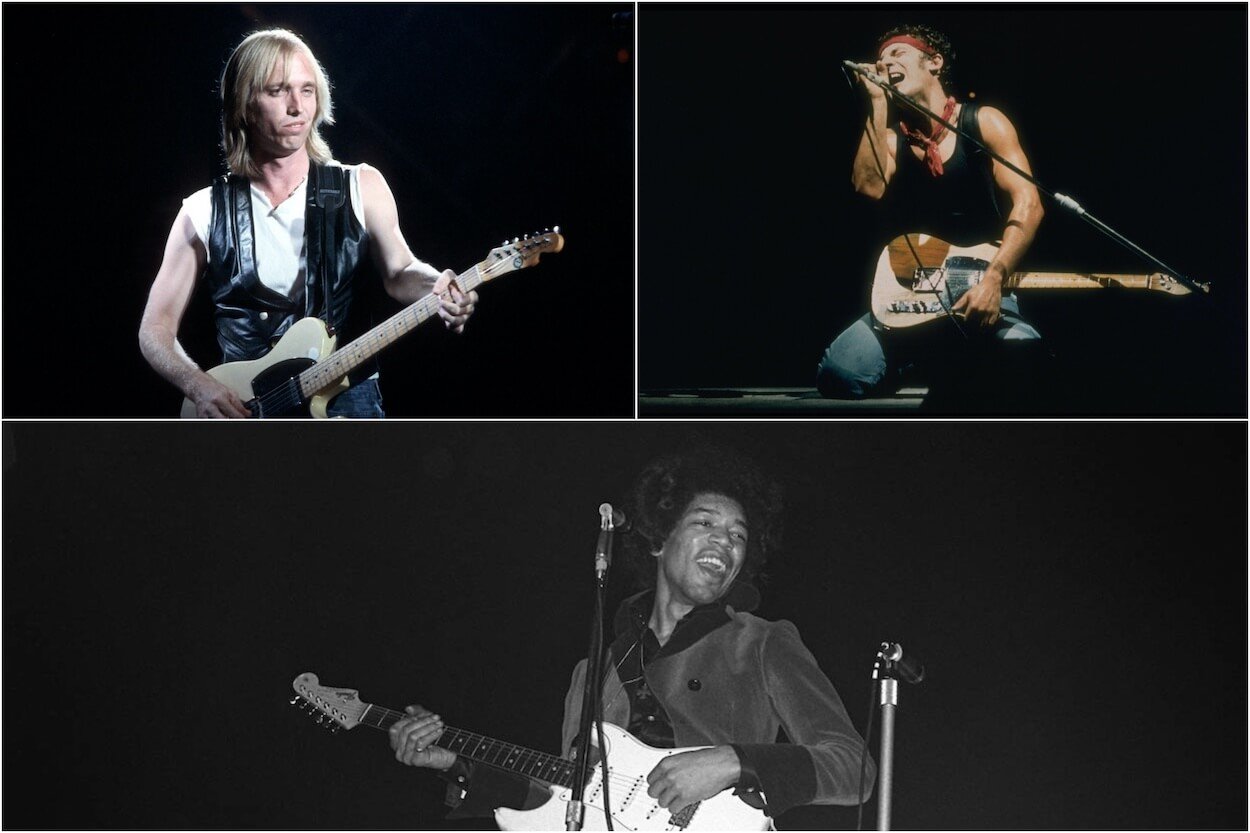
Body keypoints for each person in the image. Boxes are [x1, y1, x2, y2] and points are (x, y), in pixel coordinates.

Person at [388, 448, 875, 824]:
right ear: (660, 539)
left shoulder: (762, 642)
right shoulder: (593, 669)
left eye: (738, 535)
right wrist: (455, 762)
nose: (724, 541)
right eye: (705, 522)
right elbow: (564, 800)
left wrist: (734, 762)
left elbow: (854, 769)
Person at [139, 29, 477, 418]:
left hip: (348, 405)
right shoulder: (202, 211)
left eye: (307, 90)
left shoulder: (361, 185)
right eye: (278, 90)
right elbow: (154, 330)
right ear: (244, 103)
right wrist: (198, 385)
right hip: (250, 413)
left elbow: (400, 270)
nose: (297, 107)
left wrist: (436, 286)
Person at [817, 24, 1047, 408]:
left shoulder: (983, 122)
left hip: (981, 285)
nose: (884, 63)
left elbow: (1030, 204)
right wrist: (876, 103)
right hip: (910, 293)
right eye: (882, 58)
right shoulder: (890, 138)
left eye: (898, 55)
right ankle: (932, 355)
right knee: (840, 375)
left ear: (934, 63)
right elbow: (869, 188)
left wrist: (995, 278)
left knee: (1024, 357)